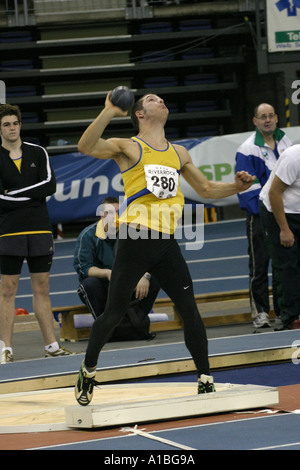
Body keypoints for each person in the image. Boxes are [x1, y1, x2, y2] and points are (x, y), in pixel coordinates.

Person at [75, 91, 255, 406]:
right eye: (152, 99)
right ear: (140, 114)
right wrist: (108, 111)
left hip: (166, 242)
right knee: (114, 313)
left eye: (162, 99)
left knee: (189, 308)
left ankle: (205, 379)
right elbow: (86, 146)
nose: (161, 101)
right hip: (135, 238)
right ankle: (88, 371)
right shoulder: (129, 146)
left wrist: (237, 187)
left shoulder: (179, 153)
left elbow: (207, 189)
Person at [0, 103, 72, 363]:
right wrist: (33, 194)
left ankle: (51, 346)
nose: (12, 128)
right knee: (8, 289)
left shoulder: (38, 152)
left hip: (40, 229)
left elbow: (49, 185)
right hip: (9, 233)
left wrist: (14, 195)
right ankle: (5, 348)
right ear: (0, 128)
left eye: (15, 123)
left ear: (20, 125)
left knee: (42, 287)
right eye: (6, 124)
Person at [235, 103, 292, 329]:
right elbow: (247, 189)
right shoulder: (247, 149)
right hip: (259, 215)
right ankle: (259, 312)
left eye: (271, 116)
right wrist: (266, 211)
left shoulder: (286, 142)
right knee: (259, 266)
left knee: (282, 263)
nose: (267, 120)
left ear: (277, 118)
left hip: (282, 214)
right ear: (255, 121)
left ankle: (282, 309)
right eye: (263, 117)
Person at [73, 196, 160, 338]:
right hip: (104, 286)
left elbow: (147, 258)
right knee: (89, 285)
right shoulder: (88, 236)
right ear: (102, 215)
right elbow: (84, 268)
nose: (116, 216)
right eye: (112, 212)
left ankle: (137, 322)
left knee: (154, 278)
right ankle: (106, 329)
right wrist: (108, 273)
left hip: (128, 283)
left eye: (119, 212)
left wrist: (144, 275)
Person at [260, 144, 300, 330]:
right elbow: (274, 193)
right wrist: (284, 229)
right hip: (277, 211)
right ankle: (290, 317)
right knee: (287, 264)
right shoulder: (294, 158)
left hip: (297, 209)